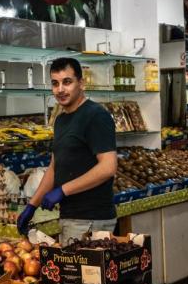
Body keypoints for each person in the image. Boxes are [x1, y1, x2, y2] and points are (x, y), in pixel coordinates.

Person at [17, 57, 118, 243]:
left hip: (91, 219)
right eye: (55, 83)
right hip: (70, 216)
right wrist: (32, 205)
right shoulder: (61, 120)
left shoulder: (96, 115)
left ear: (81, 83)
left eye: (67, 82)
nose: (60, 89)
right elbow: (55, 167)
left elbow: (108, 167)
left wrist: (63, 190)